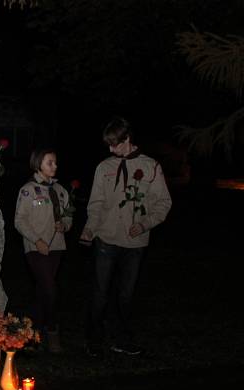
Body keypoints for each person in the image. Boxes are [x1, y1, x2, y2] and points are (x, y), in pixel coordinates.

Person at [80, 117, 172, 357]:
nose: (110, 149)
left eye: (114, 144)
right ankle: (95, 339)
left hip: (135, 243)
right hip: (106, 239)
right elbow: (96, 203)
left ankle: (121, 339)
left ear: (127, 140)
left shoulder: (151, 167)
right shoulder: (104, 168)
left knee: (126, 295)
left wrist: (144, 224)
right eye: (108, 145)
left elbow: (164, 203)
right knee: (100, 292)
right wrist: (90, 228)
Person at [14, 148, 71, 352]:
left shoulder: (61, 191)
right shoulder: (28, 190)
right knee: (50, 289)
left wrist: (64, 225)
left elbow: (68, 216)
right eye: (50, 162)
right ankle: (52, 329)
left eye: (55, 162)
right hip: (36, 248)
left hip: (56, 247)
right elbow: (19, 220)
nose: (54, 166)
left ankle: (31, 334)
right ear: (39, 164)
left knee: (42, 291)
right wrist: (36, 240)